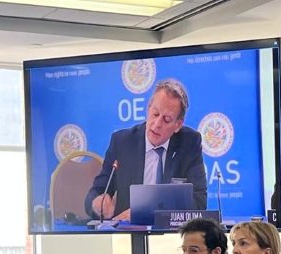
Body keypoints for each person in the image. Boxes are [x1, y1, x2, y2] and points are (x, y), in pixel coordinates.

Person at [85, 78, 207, 222]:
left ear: (178, 125)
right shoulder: (122, 142)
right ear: (148, 109)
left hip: (172, 233)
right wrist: (98, 204)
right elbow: (97, 192)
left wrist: (147, 213)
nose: (157, 124)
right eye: (155, 114)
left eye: (167, 120)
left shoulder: (189, 143)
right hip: (127, 233)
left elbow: (199, 203)